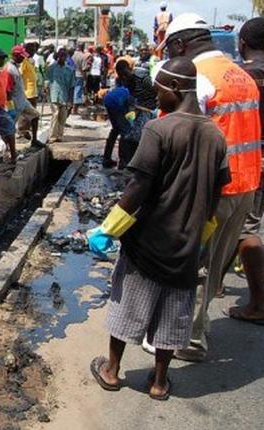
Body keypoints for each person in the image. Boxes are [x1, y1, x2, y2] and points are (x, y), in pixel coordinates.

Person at [87, 57, 230, 401]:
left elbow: (138, 188)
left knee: (128, 305)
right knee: (172, 314)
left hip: (149, 240)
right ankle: (160, 383)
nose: (155, 95)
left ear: (176, 88)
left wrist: (108, 229)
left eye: (159, 89)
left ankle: (111, 371)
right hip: (186, 244)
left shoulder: (159, 129)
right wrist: (201, 237)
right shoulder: (215, 134)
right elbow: (216, 193)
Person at [163, 13, 262, 361]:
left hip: (212, 191)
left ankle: (188, 340)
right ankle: (195, 326)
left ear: (180, 45)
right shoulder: (241, 74)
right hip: (246, 187)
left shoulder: (198, 79)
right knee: (214, 261)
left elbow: (177, 137)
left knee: (195, 265)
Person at [228, 17, 264, 324]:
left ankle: (259, 303)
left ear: (242, 44)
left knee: (245, 230)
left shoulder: (241, 78)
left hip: (246, 164)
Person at [115, 58, 159, 167]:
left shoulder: (142, 76)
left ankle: (141, 164)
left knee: (143, 137)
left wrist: (153, 108)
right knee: (128, 135)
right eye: (121, 75)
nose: (124, 77)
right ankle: (125, 162)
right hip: (135, 109)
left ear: (129, 69)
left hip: (148, 110)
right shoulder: (122, 79)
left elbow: (156, 91)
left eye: (125, 74)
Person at [8, 45, 41, 146]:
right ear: (15, 55)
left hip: (22, 100)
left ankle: (34, 141)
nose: (23, 58)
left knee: (35, 115)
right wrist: (10, 106)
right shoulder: (10, 69)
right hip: (16, 102)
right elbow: (7, 90)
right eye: (21, 56)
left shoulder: (16, 67)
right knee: (10, 127)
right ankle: (8, 148)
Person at [45, 48, 75, 143]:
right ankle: (53, 136)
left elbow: (72, 86)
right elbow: (47, 80)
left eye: (64, 56)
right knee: (55, 114)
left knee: (63, 117)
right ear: (57, 56)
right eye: (60, 56)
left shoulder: (69, 70)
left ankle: (59, 136)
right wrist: (46, 88)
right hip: (54, 95)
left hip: (64, 96)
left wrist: (71, 100)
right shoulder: (51, 68)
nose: (62, 58)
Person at [101, 84, 132, 168]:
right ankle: (123, 162)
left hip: (108, 100)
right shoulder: (137, 94)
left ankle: (106, 158)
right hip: (118, 103)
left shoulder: (126, 88)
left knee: (115, 129)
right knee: (125, 132)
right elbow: (131, 113)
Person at [72, 43, 88, 114]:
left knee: (72, 91)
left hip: (72, 75)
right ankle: (75, 109)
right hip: (79, 75)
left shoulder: (72, 54)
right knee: (78, 91)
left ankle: (71, 108)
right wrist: (85, 78)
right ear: (83, 47)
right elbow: (84, 68)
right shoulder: (83, 56)